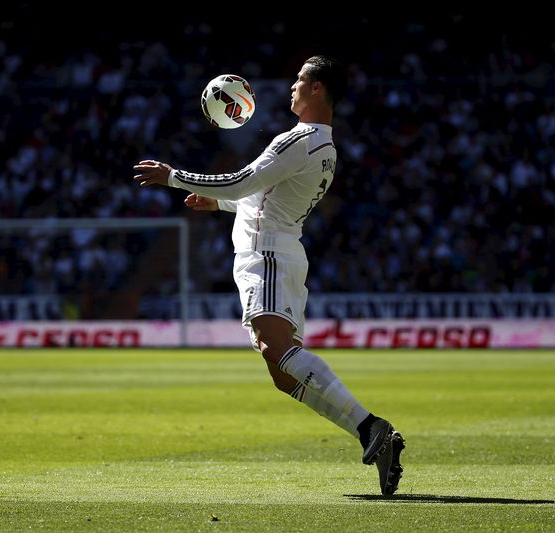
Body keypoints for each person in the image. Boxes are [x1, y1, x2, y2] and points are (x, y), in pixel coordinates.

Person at [133, 55, 404, 495]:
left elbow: (243, 182)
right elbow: (266, 199)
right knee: (282, 373)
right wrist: (218, 204)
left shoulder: (299, 140)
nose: (292, 87)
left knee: (276, 351)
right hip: (279, 253)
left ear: (318, 89)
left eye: (300, 80)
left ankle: (371, 427)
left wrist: (175, 177)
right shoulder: (325, 148)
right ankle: (369, 431)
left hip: (268, 257)